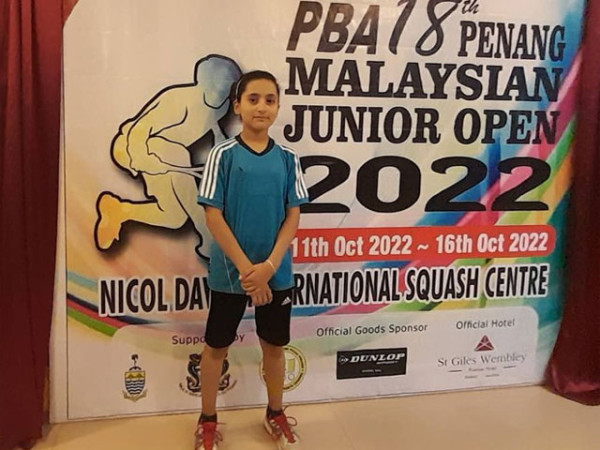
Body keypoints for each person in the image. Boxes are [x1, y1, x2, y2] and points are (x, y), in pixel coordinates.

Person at [195, 70, 309, 450]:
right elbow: (213, 216)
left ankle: (275, 413)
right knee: (216, 346)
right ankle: (207, 420)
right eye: (253, 99)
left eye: (270, 100)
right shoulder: (222, 155)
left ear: (278, 106)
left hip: (276, 273)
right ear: (237, 106)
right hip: (233, 274)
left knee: (274, 346)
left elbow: (293, 216)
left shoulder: (288, 158)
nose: (262, 107)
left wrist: (269, 268)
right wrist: (249, 271)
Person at [94, 55, 241, 260]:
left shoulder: (221, 107)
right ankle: (209, 237)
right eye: (214, 85)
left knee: (174, 217)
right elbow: (139, 131)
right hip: (130, 147)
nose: (218, 93)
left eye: (225, 87)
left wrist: (223, 155)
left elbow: (214, 129)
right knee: (179, 154)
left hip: (168, 154)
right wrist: (143, 159)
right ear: (202, 81)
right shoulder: (179, 101)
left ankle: (119, 211)